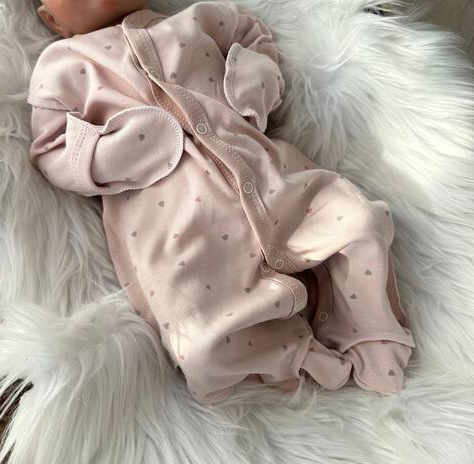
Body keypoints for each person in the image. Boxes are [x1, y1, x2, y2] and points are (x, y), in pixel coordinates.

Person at [28, 0, 416, 404]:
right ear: (52, 20)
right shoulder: (62, 64)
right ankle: (291, 354)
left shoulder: (197, 19)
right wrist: (125, 148)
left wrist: (250, 91)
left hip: (268, 175)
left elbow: (253, 36)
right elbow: (51, 151)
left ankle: (367, 329)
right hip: (177, 223)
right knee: (196, 332)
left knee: (360, 221)